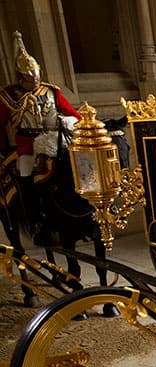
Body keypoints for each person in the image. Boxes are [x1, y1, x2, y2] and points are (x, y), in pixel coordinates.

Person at [0, 31, 80, 307]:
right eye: (29, 76)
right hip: (25, 146)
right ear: (21, 75)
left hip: (53, 140)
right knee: (24, 173)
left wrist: (65, 121)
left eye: (36, 74)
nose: (34, 79)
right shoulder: (8, 96)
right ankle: (32, 215)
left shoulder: (52, 91)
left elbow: (73, 114)